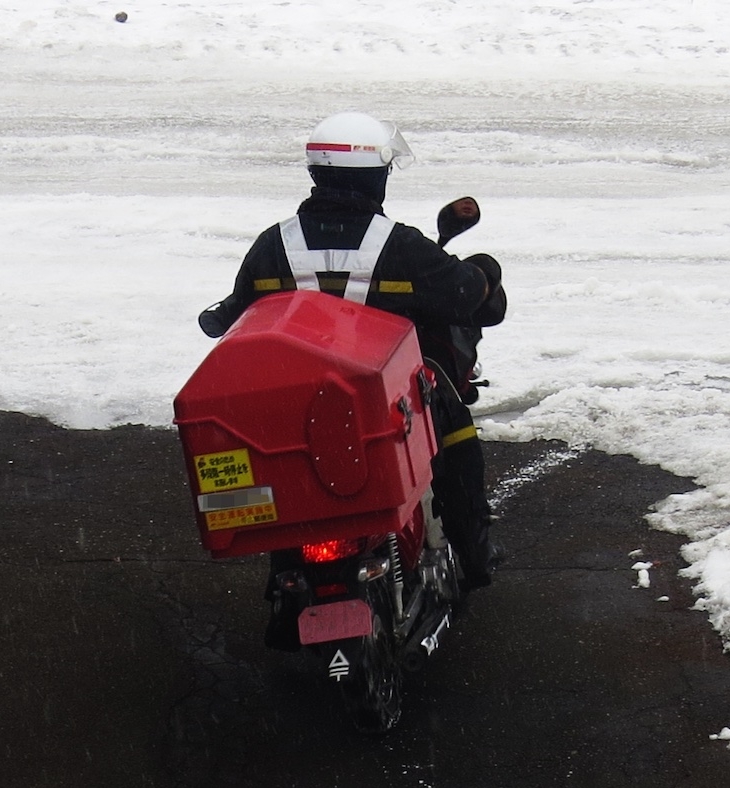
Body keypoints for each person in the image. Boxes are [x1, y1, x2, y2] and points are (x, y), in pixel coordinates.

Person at [197, 112, 506, 643]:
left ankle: (285, 592)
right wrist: (485, 273)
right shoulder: (401, 245)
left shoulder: (275, 244)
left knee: (289, 482)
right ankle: (473, 558)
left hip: (296, 408)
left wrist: (222, 317)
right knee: (457, 444)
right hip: (386, 404)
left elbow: (228, 316)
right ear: (375, 178)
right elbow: (464, 296)